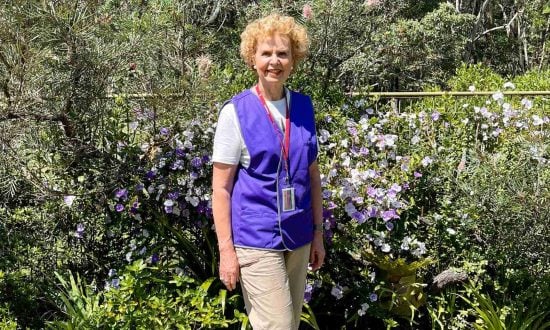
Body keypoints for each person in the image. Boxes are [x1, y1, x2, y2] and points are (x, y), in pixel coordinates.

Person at [211, 13, 325, 330]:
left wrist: (318, 233)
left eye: (282, 53)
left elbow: (312, 174)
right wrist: (226, 253)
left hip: (299, 238)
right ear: (252, 58)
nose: (274, 61)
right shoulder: (235, 112)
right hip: (256, 240)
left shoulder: (303, 107)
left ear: (293, 60)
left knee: (287, 322)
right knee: (278, 326)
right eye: (266, 53)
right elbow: (220, 189)